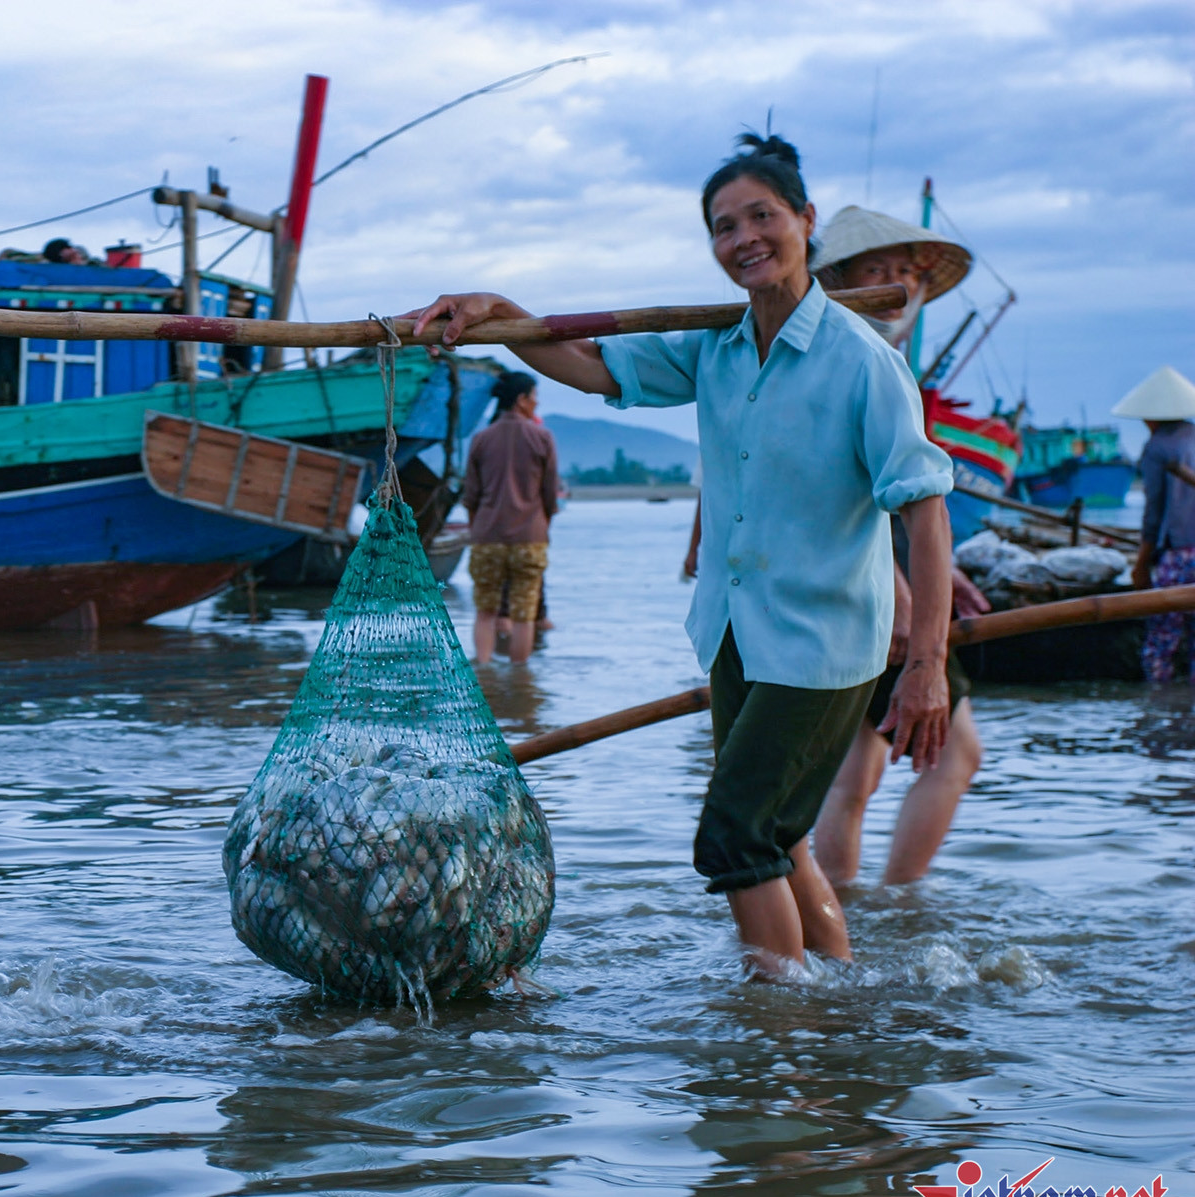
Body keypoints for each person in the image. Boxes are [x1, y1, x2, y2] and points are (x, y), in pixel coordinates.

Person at [407, 133, 955, 975]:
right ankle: (839, 999)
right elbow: (588, 368)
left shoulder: (863, 364)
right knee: (777, 835)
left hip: (823, 645)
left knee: (732, 839)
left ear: (806, 221)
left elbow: (924, 516)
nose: (744, 238)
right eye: (723, 226)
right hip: (738, 632)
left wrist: (926, 668)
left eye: (761, 216)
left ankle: (772, 1024)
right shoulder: (716, 345)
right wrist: (497, 311)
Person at [798, 205, 991, 886]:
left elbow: (906, 498)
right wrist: (906, 600)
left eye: (906, 273)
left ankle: (848, 911)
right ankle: (901, 902)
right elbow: (843, 493)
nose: (897, 285)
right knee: (955, 755)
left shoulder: (863, 357)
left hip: (875, 588)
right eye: (877, 271)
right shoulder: (859, 358)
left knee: (858, 769)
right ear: (843, 282)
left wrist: (943, 571)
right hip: (879, 593)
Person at [464, 370, 561, 663]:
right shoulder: (542, 437)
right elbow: (549, 496)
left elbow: (471, 496)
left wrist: (477, 530)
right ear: (521, 400)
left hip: (486, 538)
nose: (537, 403)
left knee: (485, 613)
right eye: (534, 397)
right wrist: (542, 529)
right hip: (529, 539)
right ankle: (520, 683)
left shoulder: (481, 438)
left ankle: (483, 675)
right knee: (523, 616)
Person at [1115, 365, 1195, 681]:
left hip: (1179, 555)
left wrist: (1141, 564)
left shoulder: (1157, 447)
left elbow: (1154, 513)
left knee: (1162, 641)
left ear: (1151, 417)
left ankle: (1158, 709)